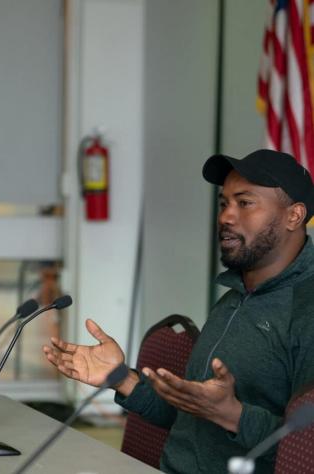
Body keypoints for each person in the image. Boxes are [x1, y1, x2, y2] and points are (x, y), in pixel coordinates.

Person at [44, 149, 314, 473]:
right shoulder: (234, 299)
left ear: (294, 216)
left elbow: (303, 455)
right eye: (224, 203)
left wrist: (232, 414)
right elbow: (189, 419)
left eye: (244, 203)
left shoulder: (306, 310)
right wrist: (119, 378)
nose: (227, 216)